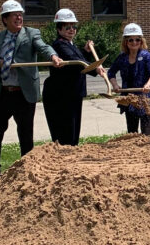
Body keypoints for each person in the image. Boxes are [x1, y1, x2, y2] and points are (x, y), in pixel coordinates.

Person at [0, 0, 64, 187]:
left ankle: (27, 174)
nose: (19, 17)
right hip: (1, 94)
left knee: (26, 135)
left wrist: (53, 55)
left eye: (20, 14)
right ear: (5, 19)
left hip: (23, 94)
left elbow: (43, 46)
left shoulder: (31, 34)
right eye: (14, 15)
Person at [42, 9, 104, 146]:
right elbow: (74, 62)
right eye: (67, 27)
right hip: (62, 94)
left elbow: (78, 58)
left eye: (73, 27)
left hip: (73, 93)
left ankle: (71, 152)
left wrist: (86, 52)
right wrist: (95, 67)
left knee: (74, 129)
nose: (71, 30)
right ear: (59, 29)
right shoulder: (59, 45)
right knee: (66, 132)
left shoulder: (70, 45)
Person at [107, 23, 150, 134]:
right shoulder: (122, 57)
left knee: (146, 130)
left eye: (137, 39)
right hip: (129, 98)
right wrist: (115, 85)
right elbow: (111, 72)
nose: (134, 42)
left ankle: (148, 149)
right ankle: (133, 151)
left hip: (146, 97)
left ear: (141, 41)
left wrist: (148, 84)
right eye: (131, 40)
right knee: (132, 130)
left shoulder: (146, 56)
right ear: (126, 42)